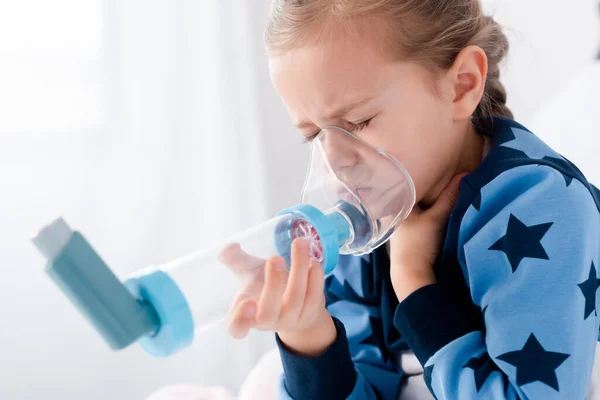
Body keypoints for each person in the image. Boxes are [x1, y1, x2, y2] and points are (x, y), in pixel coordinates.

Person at [223, 1, 600, 398]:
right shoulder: (367, 219)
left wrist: (414, 281)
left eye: (359, 122)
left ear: (462, 85)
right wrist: (308, 333)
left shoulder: (543, 209)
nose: (335, 162)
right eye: (314, 135)